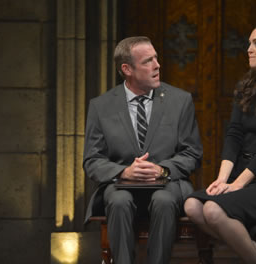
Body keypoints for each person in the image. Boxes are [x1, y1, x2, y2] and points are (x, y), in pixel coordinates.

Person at [184, 19, 256, 264]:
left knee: (213, 210)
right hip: (238, 176)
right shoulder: (245, 86)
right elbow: (234, 134)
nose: (248, 48)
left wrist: (237, 185)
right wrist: (222, 180)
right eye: (249, 43)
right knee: (192, 206)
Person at [83, 36, 203, 264]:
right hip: (120, 186)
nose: (157, 65)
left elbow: (192, 154)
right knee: (118, 201)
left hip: (168, 184)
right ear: (127, 69)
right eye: (148, 61)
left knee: (164, 200)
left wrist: (162, 170)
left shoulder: (180, 100)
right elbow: (92, 159)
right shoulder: (101, 106)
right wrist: (123, 172)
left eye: (156, 58)